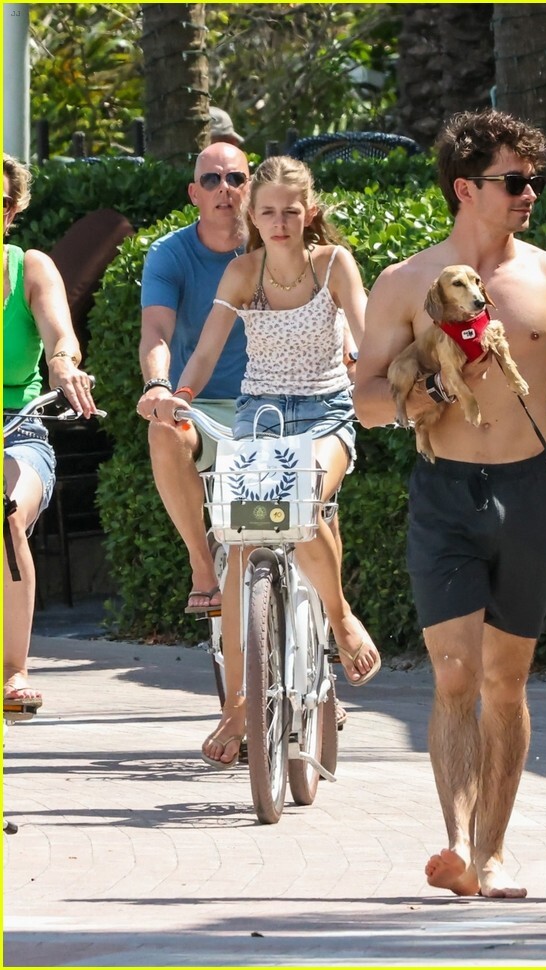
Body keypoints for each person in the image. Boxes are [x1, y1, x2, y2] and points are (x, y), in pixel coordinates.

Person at [354, 109, 546, 898]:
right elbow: (364, 399)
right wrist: (421, 394)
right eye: (514, 182)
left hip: (526, 491)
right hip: (444, 493)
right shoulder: (402, 283)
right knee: (454, 672)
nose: (530, 194)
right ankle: (455, 845)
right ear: (466, 188)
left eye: (535, 181)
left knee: (507, 681)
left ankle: (492, 852)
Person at [157, 155, 377, 769]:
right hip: (261, 414)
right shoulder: (242, 274)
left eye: (290, 210)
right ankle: (236, 705)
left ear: (308, 212)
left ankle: (340, 618)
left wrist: (371, 369)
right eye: (268, 211)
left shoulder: (333, 264)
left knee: (303, 500)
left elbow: (363, 334)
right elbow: (202, 355)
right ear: (252, 214)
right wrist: (180, 397)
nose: (278, 222)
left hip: (328, 409)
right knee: (243, 546)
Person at [137, 141, 251, 616]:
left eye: (236, 179)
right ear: (194, 193)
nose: (224, 189)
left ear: (251, 186)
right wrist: (158, 386)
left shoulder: (275, 246)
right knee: (164, 431)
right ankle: (202, 566)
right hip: (199, 407)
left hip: (275, 406)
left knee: (319, 502)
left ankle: (334, 619)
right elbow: (157, 332)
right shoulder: (170, 254)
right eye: (211, 180)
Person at [4, 153, 98, 713]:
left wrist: (64, 364)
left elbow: (59, 332)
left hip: (18, 431)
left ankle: (13, 672)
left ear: (11, 214)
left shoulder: (29, 268)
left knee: (7, 513)